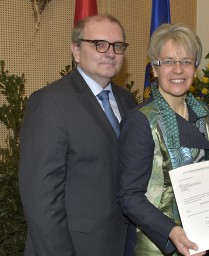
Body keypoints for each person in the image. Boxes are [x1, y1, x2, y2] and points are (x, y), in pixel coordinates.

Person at [19, 14, 137, 256]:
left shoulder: (128, 100)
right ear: (75, 50)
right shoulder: (50, 103)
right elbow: (42, 200)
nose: (110, 52)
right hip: (73, 247)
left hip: (123, 244)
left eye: (118, 46)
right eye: (99, 44)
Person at [116, 23, 209, 256]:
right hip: (158, 244)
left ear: (195, 67)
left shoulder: (202, 111)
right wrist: (171, 231)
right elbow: (129, 197)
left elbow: (205, 174)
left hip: (204, 238)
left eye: (186, 61)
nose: (178, 70)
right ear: (154, 68)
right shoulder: (141, 120)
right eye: (168, 61)